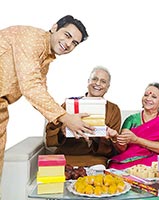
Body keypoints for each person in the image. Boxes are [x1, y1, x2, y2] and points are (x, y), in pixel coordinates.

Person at [0, 15, 92, 175]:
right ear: (54, 27)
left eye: (74, 43)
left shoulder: (45, 58)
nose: (68, 44)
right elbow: (31, 87)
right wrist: (66, 117)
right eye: (67, 35)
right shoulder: (31, 39)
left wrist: (63, 123)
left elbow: (40, 92)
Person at [45, 66, 122, 167]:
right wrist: (62, 131)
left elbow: (113, 146)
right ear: (88, 82)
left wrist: (98, 136)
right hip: (67, 155)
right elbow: (50, 134)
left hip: (94, 159)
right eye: (94, 79)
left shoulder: (113, 110)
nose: (98, 83)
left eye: (103, 81)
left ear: (107, 87)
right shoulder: (69, 104)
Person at [108, 82, 159, 170]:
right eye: (146, 95)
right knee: (114, 168)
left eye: (154, 97)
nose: (148, 98)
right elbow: (122, 149)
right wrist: (115, 138)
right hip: (129, 161)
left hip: (153, 162)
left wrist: (136, 140)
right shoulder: (131, 120)